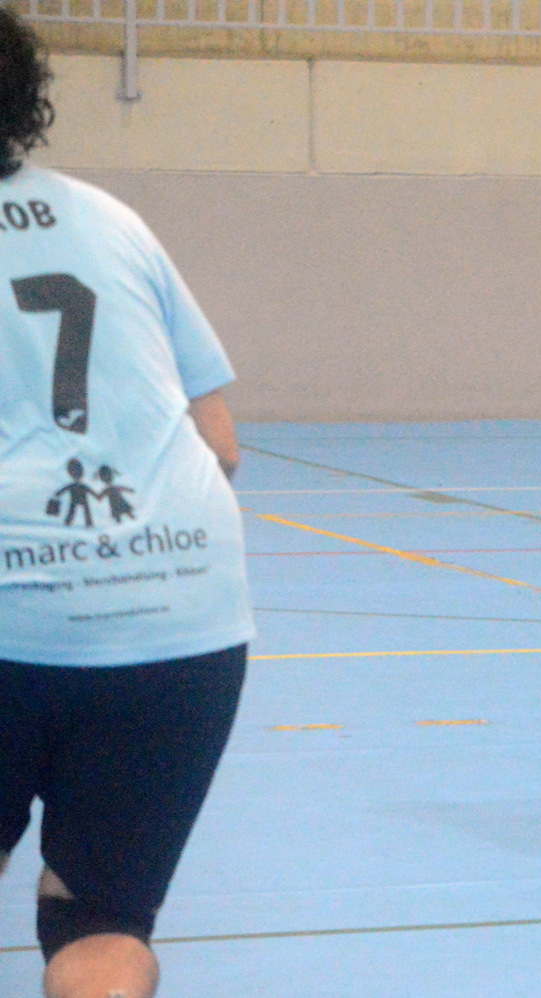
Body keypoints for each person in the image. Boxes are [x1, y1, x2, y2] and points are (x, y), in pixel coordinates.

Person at [0, 9, 255, 996]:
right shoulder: (106, 217)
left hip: (16, 608)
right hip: (184, 615)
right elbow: (220, 444)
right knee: (98, 920)